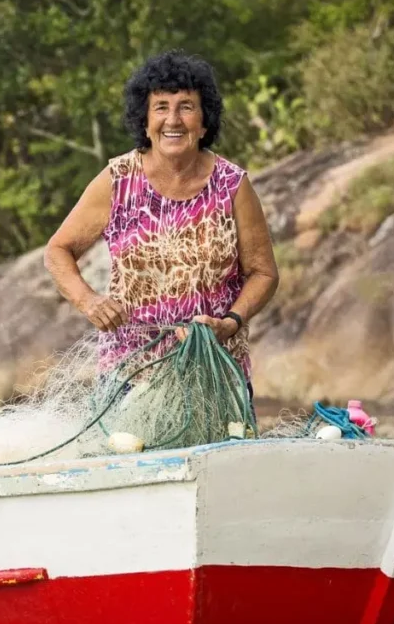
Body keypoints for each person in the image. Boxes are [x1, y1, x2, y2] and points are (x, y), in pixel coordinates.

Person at [44, 50, 279, 399]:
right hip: (131, 374)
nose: (173, 120)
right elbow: (58, 250)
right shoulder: (118, 179)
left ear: (204, 122)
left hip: (214, 372)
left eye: (186, 107)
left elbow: (264, 273)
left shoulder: (233, 185)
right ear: (144, 120)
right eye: (161, 107)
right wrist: (88, 301)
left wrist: (229, 323)